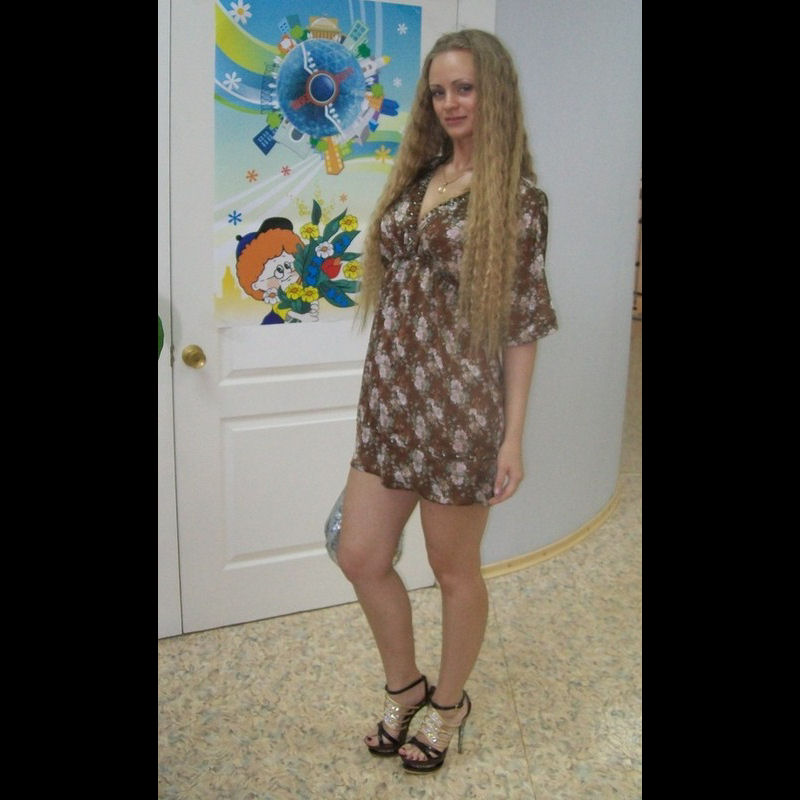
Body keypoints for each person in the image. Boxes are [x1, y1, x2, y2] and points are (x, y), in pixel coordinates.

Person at [335, 28, 558, 775]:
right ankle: (406, 685)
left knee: (453, 569)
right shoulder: (418, 178)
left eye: (465, 88)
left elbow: (522, 326)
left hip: (460, 414)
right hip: (390, 404)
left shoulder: (519, 201)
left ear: (495, 94)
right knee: (360, 554)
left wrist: (512, 438)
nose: (450, 103)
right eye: (438, 91)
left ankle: (450, 702)